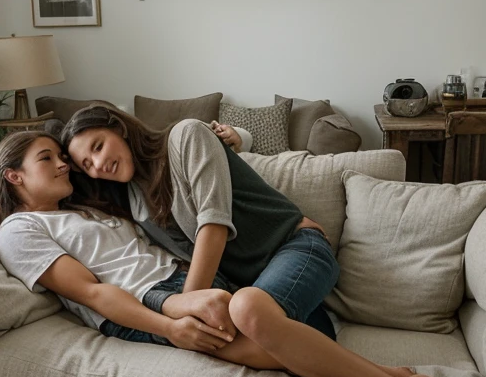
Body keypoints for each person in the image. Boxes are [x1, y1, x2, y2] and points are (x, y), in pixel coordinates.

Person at [0, 131, 486, 377]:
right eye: (48, 160)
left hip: (192, 282)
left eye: (67, 158)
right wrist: (170, 321)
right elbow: (95, 293)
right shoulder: (20, 230)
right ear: (13, 176)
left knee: (292, 336)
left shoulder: (93, 204)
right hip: (153, 304)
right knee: (282, 344)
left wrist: (232, 138)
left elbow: (178, 169)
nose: (67, 166)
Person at [62, 105, 336, 341]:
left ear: (119, 128)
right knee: (266, 338)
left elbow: (213, 227)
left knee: (243, 320)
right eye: (87, 165)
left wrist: (190, 306)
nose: (99, 164)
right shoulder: (132, 200)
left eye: (98, 146)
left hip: (296, 247)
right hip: (253, 288)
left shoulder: (186, 135)